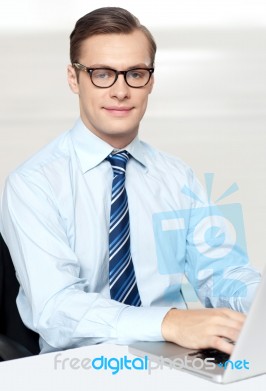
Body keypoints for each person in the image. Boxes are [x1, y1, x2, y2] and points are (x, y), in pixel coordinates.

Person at [0, 7, 261, 355]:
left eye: (135, 73)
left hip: (178, 356)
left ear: (150, 81)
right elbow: (56, 307)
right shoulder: (34, 183)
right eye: (102, 74)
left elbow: (222, 272)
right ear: (73, 78)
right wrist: (168, 321)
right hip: (77, 367)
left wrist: (257, 300)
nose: (121, 91)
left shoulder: (176, 176)